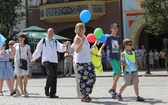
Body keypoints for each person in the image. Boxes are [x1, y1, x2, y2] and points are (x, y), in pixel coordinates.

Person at [31, 28, 71, 98]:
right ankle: (46, 88)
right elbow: (38, 50)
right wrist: (33, 58)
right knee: (50, 74)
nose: (50, 33)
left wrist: (64, 45)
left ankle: (52, 93)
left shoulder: (55, 41)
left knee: (54, 77)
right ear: (47, 33)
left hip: (54, 60)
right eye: (49, 32)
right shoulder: (43, 41)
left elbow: (60, 48)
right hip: (46, 60)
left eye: (52, 32)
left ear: (53, 33)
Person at [97, 23, 122, 99]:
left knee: (115, 75)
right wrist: (99, 51)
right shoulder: (108, 38)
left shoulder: (118, 38)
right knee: (119, 73)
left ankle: (113, 91)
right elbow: (102, 46)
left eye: (116, 28)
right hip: (111, 57)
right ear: (111, 29)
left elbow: (118, 48)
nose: (115, 29)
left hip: (117, 57)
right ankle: (112, 89)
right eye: (114, 28)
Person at [73, 23, 96, 102]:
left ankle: (87, 93)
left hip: (88, 61)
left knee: (92, 77)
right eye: (83, 28)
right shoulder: (77, 38)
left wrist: (96, 54)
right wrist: (82, 41)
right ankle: (84, 96)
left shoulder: (85, 37)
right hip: (80, 62)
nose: (85, 29)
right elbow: (77, 50)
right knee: (83, 79)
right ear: (79, 29)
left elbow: (87, 50)